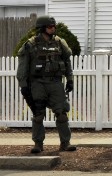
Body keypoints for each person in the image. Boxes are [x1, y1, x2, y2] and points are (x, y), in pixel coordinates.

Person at [17, 15, 76, 154]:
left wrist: (70, 79)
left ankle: (65, 143)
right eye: (50, 26)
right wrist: (23, 85)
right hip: (38, 83)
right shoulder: (31, 44)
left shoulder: (60, 43)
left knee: (61, 113)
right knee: (38, 114)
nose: (53, 28)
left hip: (55, 83)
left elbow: (67, 63)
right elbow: (23, 67)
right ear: (42, 28)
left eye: (53, 26)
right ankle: (38, 144)